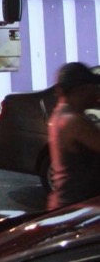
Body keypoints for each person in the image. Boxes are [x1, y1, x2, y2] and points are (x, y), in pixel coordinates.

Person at [47, 62, 100, 210]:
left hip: (71, 207)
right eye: (94, 87)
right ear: (81, 89)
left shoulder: (62, 114)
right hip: (77, 211)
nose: (97, 91)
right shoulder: (74, 121)